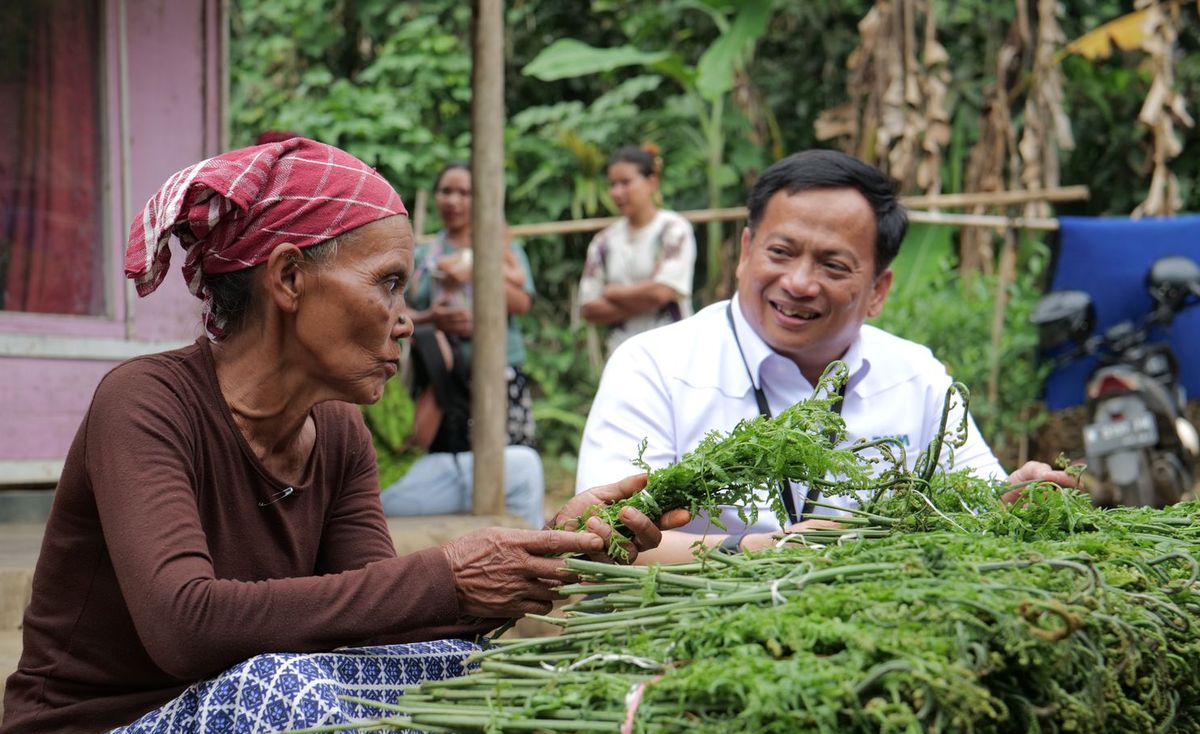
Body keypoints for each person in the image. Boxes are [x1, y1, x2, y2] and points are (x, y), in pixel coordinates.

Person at [0, 138, 682, 734]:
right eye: (387, 284)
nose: (405, 318)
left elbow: (384, 623)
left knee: (454, 671)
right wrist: (449, 575)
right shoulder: (146, 404)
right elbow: (185, 626)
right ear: (290, 278)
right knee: (277, 692)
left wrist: (548, 553)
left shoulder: (338, 432)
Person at [576, 149, 1075, 563]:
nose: (798, 282)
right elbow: (606, 542)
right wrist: (763, 550)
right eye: (780, 252)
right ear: (745, 251)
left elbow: (975, 503)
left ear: (878, 290)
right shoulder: (654, 365)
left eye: (833, 264)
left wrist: (1011, 497)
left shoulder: (914, 375)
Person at [371, 162, 544, 527]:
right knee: (453, 456)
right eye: (447, 191)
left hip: (496, 374)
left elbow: (523, 302)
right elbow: (401, 310)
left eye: (465, 192)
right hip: (440, 378)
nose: (454, 200)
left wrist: (480, 272)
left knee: (501, 463)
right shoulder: (424, 256)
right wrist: (434, 318)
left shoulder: (500, 249)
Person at [579, 144, 697, 354]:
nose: (616, 192)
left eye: (625, 182)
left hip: (674, 354)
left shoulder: (673, 229)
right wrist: (649, 291)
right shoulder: (604, 241)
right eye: (612, 184)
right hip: (622, 356)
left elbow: (662, 292)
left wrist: (612, 292)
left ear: (652, 182)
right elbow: (588, 308)